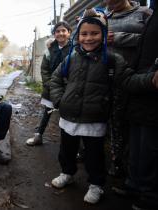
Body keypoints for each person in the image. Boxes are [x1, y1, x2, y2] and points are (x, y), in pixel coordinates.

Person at [49, 8, 127, 204]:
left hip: (94, 118)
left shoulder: (112, 59)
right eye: (84, 34)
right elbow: (56, 79)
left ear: (103, 35)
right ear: (78, 35)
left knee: (94, 155)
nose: (89, 38)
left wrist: (150, 80)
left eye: (94, 33)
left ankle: (96, 184)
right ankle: (67, 173)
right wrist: (59, 100)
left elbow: (129, 81)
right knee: (67, 150)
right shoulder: (72, 57)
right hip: (69, 116)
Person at [115, 0, 158, 209]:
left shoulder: (144, 12)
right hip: (134, 84)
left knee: (149, 145)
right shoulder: (153, 14)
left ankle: (148, 196)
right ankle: (133, 185)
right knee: (135, 141)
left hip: (149, 85)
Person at [104, 0, 152, 177]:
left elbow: (151, 40)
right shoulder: (105, 17)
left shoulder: (144, 13)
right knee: (114, 123)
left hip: (135, 78)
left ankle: (134, 170)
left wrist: (119, 38)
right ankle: (117, 164)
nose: (111, 3)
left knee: (132, 125)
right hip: (108, 79)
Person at [26, 21, 72, 146]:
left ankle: (72, 146)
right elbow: (44, 69)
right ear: (54, 34)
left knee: (69, 116)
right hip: (51, 86)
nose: (61, 33)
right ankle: (38, 136)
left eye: (64, 31)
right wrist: (49, 84)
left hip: (69, 88)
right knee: (47, 111)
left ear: (69, 33)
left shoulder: (75, 48)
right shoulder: (50, 49)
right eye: (57, 31)